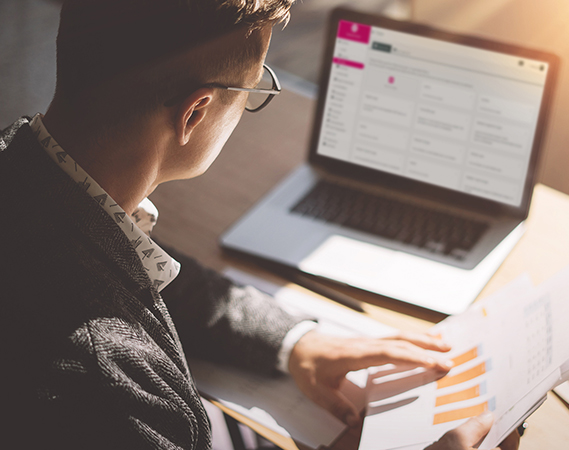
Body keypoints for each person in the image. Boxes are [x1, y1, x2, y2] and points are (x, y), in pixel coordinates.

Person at [0, 1, 519, 449]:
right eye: (251, 91)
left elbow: (124, 265)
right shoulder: (113, 389)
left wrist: (292, 342)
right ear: (195, 113)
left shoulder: (24, 171)